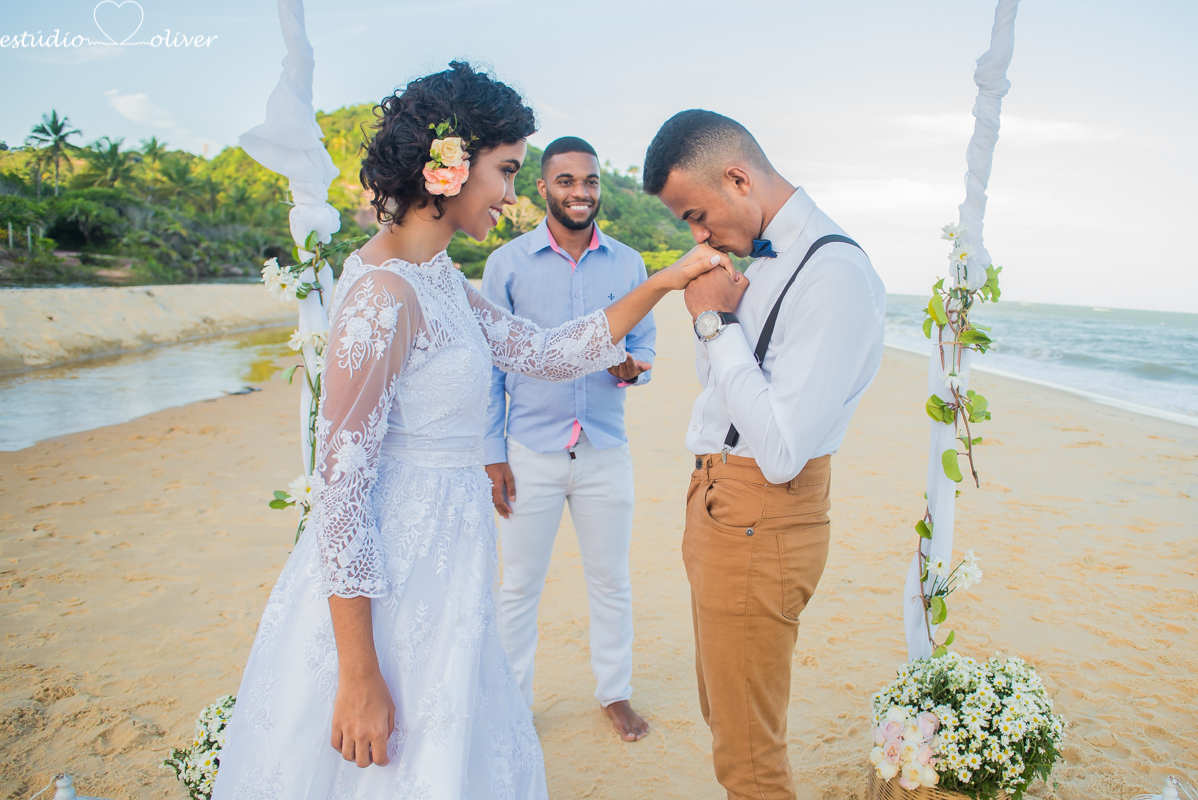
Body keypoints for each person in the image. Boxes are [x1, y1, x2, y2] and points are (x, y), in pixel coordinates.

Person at [211, 66, 735, 800]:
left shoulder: (440, 280)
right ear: (448, 168)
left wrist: (659, 282)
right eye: (508, 171)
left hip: (449, 566)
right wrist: (360, 675)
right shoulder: (383, 295)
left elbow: (544, 354)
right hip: (397, 576)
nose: (514, 195)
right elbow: (337, 493)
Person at [641, 109, 886, 800]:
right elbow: (723, 393)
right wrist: (714, 325)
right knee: (728, 720)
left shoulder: (832, 273)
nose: (696, 233)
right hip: (720, 505)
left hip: (761, 511)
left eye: (696, 213)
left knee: (749, 756)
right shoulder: (765, 260)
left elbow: (779, 450)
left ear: (739, 178)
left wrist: (714, 322)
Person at [482, 136, 654, 742]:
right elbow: (492, 369)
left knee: (611, 579)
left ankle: (615, 693)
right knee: (519, 585)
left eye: (590, 181)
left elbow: (646, 344)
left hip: (606, 449)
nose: (580, 192)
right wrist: (493, 453)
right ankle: (512, 704)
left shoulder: (630, 264)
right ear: (542, 188)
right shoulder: (506, 264)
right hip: (530, 451)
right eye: (566, 181)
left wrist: (633, 366)